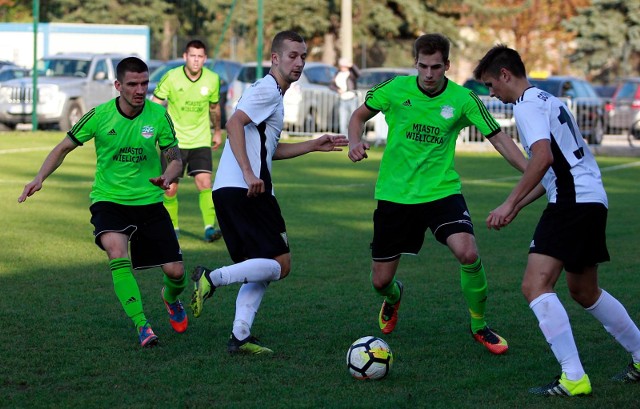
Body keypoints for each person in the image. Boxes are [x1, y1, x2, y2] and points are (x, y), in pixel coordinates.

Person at [474, 45, 640, 395]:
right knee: (584, 291)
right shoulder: (549, 100)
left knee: (535, 285)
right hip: (591, 199)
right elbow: (555, 169)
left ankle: (574, 378)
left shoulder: (526, 105)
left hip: (572, 203)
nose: (491, 93)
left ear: (505, 75)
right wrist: (519, 206)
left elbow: (543, 159)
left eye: (491, 85)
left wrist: (509, 202)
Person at [347, 33, 529, 355]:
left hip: (441, 191)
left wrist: (532, 171)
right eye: (422, 66)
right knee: (380, 281)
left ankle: (479, 325)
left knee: (468, 253)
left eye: (435, 67)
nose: (428, 74)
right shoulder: (394, 89)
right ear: (415, 64)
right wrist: (354, 141)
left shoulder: (463, 100)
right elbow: (359, 115)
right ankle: (393, 297)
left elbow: (498, 138)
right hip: (395, 194)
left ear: (447, 65)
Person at [189, 30, 348, 354]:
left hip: (233, 190)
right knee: (281, 264)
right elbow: (234, 124)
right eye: (292, 55)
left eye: (303, 56)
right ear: (274, 58)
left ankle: (240, 336)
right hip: (247, 190)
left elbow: (268, 149)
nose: (299, 62)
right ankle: (212, 278)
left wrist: (314, 144)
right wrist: (249, 174)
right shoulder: (266, 90)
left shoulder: (272, 93)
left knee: (260, 265)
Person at [18, 57, 188, 348]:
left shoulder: (158, 116)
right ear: (118, 85)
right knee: (116, 252)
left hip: (148, 201)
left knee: (176, 273)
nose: (139, 90)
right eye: (133, 84)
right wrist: (39, 177)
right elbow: (63, 148)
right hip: (108, 200)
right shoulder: (98, 115)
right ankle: (142, 325)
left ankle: (170, 298)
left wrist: (167, 177)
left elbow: (176, 159)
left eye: (144, 83)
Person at [152, 39, 223, 242]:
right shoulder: (171, 77)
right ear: (185, 57)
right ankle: (172, 228)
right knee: (170, 188)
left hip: (200, 139)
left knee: (205, 182)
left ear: (205, 59)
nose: (196, 60)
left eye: (200, 57)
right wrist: (154, 132)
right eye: (192, 56)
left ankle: (209, 228)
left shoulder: (212, 79)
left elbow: (214, 108)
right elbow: (156, 104)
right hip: (173, 143)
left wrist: (217, 131)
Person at [330, 57, 360, 135]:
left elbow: (358, 74)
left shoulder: (351, 73)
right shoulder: (338, 73)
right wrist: (337, 90)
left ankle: (354, 136)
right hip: (342, 99)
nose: (343, 67)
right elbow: (331, 85)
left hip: (352, 98)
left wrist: (352, 65)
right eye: (342, 66)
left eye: (344, 65)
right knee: (342, 120)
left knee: (353, 119)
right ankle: (344, 138)